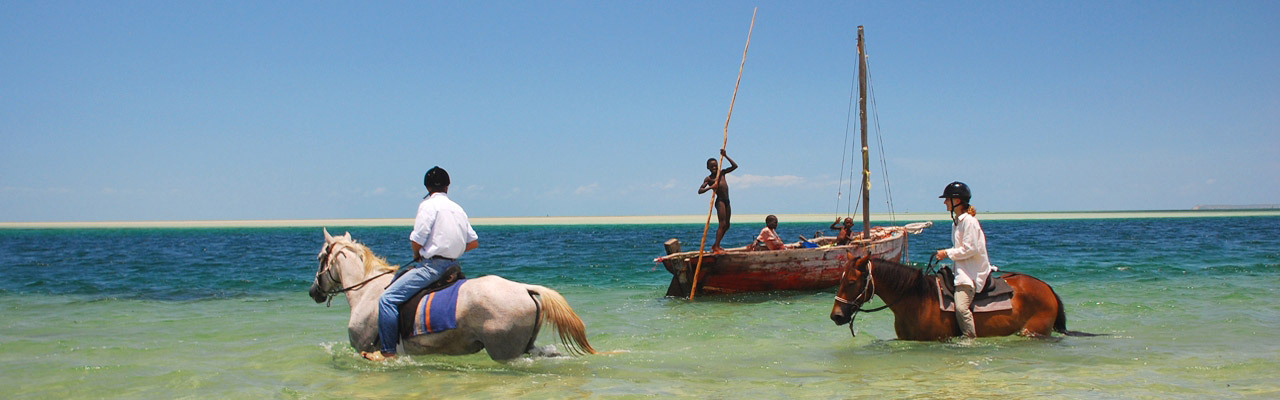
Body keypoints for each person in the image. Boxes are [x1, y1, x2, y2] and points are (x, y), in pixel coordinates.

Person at [362, 166, 479, 362]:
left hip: (432, 267)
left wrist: (418, 254)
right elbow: (473, 242)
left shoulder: (427, 205)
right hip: (453, 266)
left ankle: (387, 352)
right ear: (448, 187)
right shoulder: (458, 208)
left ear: (427, 187)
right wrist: (451, 249)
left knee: (387, 300)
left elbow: (417, 239)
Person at [933, 181, 994, 340]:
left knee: (961, 307)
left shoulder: (969, 222)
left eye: (947, 199)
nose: (945, 202)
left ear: (957, 201)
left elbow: (970, 249)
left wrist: (946, 253)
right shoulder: (957, 222)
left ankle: (969, 338)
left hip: (970, 274)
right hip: (961, 270)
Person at [698, 149, 737, 253]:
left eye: (715, 165)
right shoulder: (709, 179)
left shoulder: (722, 173)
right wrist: (711, 187)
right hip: (720, 202)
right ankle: (716, 246)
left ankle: (716, 245)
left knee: (727, 225)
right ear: (708, 168)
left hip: (727, 201)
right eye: (712, 166)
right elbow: (700, 191)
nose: (714, 167)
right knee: (722, 223)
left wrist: (725, 155)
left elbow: (735, 166)